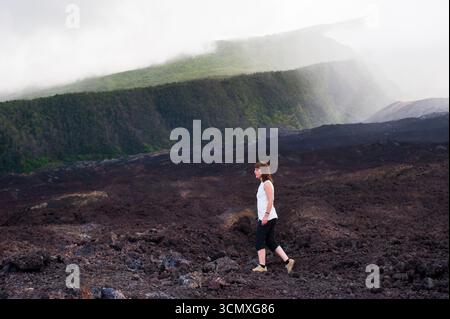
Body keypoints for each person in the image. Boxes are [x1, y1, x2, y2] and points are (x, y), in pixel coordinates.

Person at [252, 162, 295, 274]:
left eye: (257, 170)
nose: (255, 172)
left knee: (259, 241)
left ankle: (262, 266)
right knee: (270, 242)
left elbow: (271, 200)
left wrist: (265, 216)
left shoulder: (267, 183)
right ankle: (288, 261)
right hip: (267, 217)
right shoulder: (263, 184)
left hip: (268, 217)